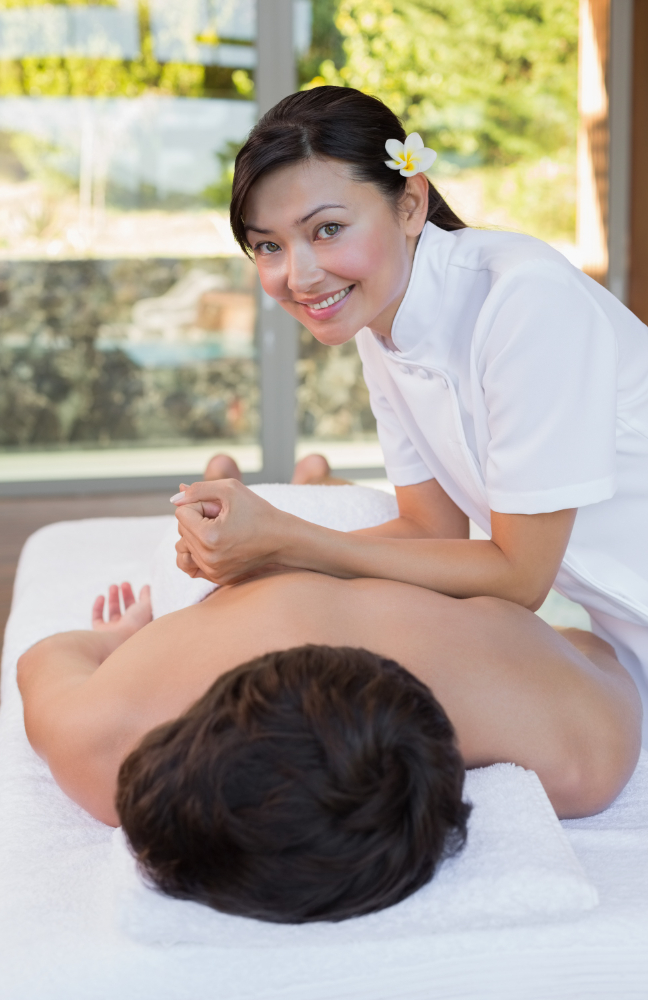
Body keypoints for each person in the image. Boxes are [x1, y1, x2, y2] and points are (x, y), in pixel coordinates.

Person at [170, 86, 648, 743]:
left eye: (327, 229)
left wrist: (284, 540)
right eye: (268, 246)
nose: (299, 276)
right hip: (625, 633)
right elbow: (430, 527)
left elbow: (520, 577)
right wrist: (258, 562)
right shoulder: (379, 321)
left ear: (411, 202)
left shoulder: (522, 300)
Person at [18, 567, 640, 922]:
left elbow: (45, 658)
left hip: (248, 568)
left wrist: (122, 637)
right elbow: (590, 647)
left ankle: (290, 478)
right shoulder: (580, 753)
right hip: (393, 557)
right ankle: (307, 479)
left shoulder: (103, 740)